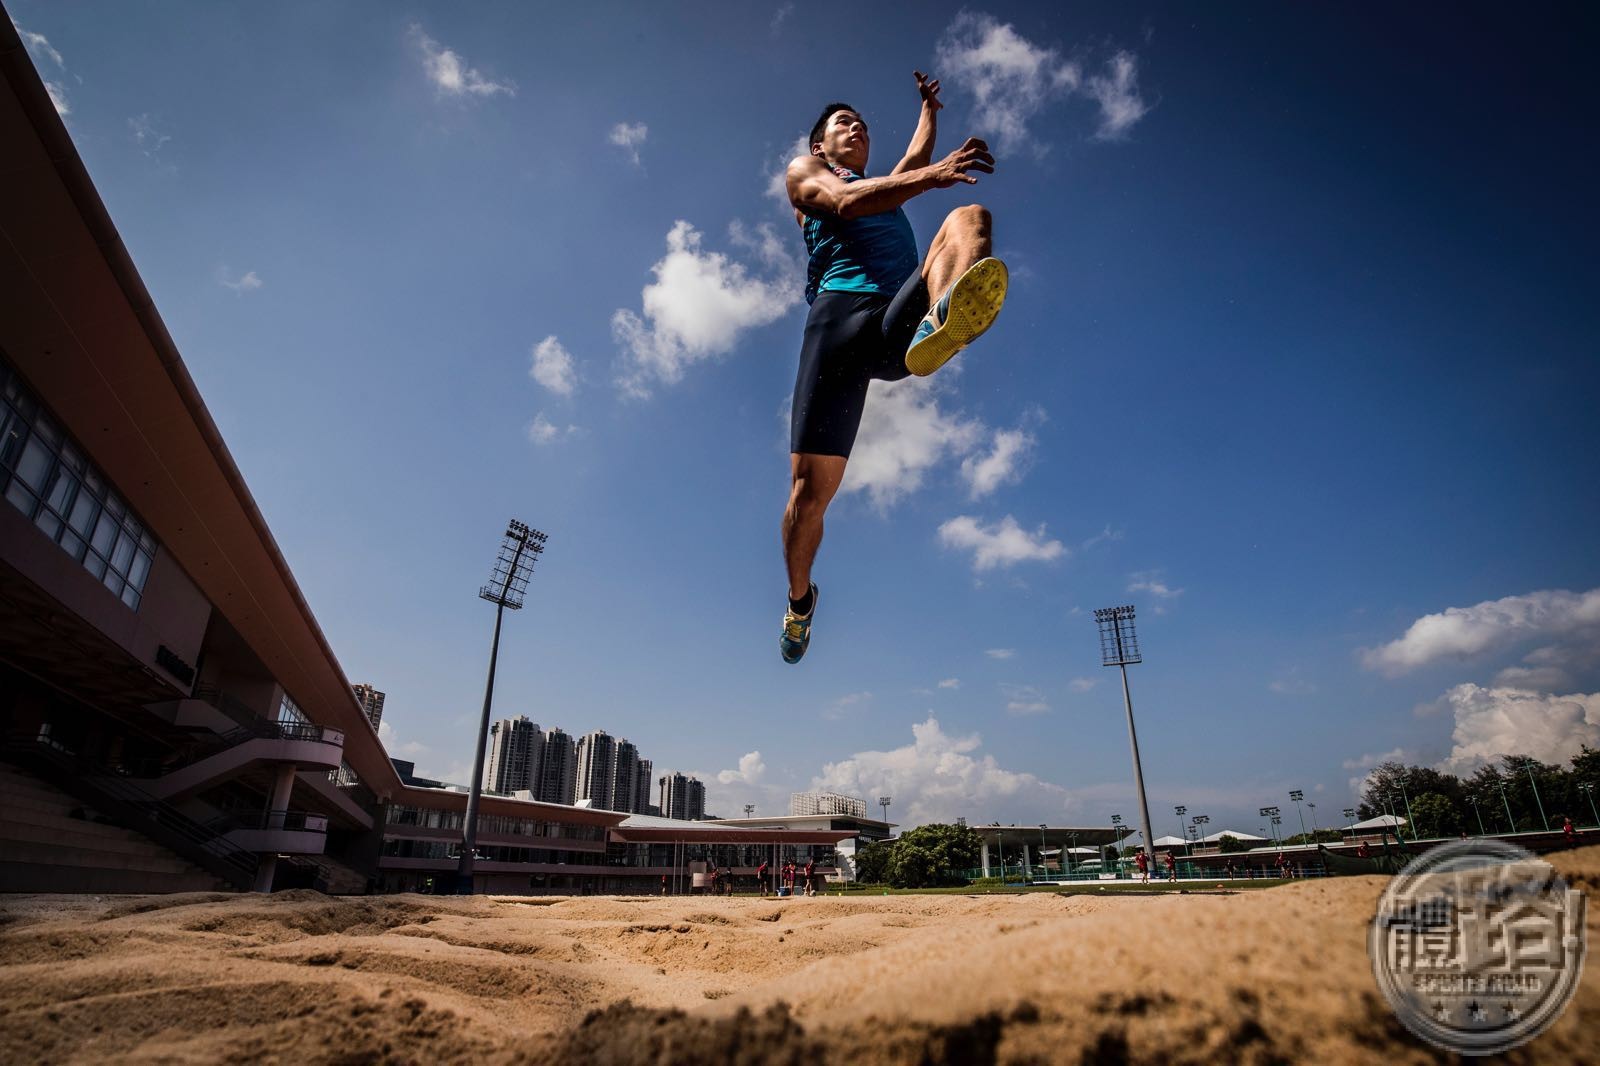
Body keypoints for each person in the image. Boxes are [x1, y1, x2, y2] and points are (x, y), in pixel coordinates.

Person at [778, 72, 1008, 663]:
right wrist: (928, 174)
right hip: (837, 327)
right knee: (809, 497)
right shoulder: (805, 176)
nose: (856, 127)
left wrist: (929, 110)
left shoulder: (888, 179)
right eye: (843, 123)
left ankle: (941, 320)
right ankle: (800, 603)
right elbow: (848, 202)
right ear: (819, 147)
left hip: (891, 326)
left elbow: (912, 160)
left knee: (968, 218)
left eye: (862, 123)